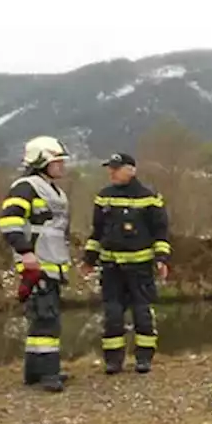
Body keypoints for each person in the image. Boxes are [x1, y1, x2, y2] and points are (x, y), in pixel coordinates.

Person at [79, 153, 170, 375]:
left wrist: (161, 259)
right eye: (110, 168)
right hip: (111, 268)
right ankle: (113, 361)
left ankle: (144, 359)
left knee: (142, 313)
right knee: (112, 314)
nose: (111, 172)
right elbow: (97, 232)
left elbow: (161, 231)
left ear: (131, 170)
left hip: (140, 268)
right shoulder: (103, 197)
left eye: (116, 168)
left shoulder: (149, 197)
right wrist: (89, 259)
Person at [0, 136, 74, 392]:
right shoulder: (25, 187)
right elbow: (9, 221)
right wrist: (25, 252)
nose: (62, 166)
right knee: (46, 320)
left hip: (53, 263)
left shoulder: (56, 191)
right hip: (37, 263)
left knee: (41, 318)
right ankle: (49, 374)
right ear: (42, 161)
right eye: (57, 161)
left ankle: (33, 373)